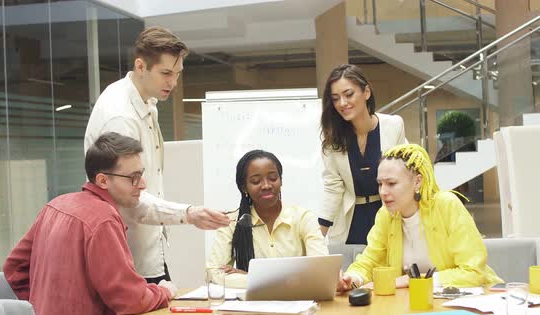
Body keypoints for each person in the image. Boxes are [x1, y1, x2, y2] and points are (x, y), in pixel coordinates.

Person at [84, 26, 229, 284]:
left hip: (148, 248)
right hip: (127, 256)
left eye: (177, 74)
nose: (173, 82)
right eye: (165, 73)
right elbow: (129, 197)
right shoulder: (121, 117)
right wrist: (189, 213)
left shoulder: (146, 101)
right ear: (141, 66)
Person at [3, 132, 179, 315]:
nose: (143, 184)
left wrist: (40, 308)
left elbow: (13, 268)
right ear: (103, 180)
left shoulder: (55, 205)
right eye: (133, 178)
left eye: (141, 174)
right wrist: (163, 291)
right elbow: (130, 299)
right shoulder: (103, 219)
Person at [337, 144, 503, 292]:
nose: (383, 192)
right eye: (380, 184)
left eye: (391, 183)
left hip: (470, 300)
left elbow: (473, 272)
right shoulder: (386, 215)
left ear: (417, 182)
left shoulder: (446, 205)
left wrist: (412, 280)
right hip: (414, 302)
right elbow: (369, 261)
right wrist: (352, 279)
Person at [207, 150, 329, 288]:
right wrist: (288, 280)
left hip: (297, 303)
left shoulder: (303, 218)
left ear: (281, 180)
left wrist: (251, 277)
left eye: (273, 178)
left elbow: (321, 268)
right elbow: (215, 272)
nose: (266, 185)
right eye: (255, 181)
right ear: (244, 187)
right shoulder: (231, 222)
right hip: (250, 306)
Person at [318, 64, 407, 246]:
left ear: (366, 92)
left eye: (349, 94)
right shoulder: (332, 140)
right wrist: (317, 237)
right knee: (353, 273)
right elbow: (333, 189)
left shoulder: (393, 126)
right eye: (335, 99)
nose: (342, 103)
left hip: (388, 215)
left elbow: (408, 172)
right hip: (351, 223)